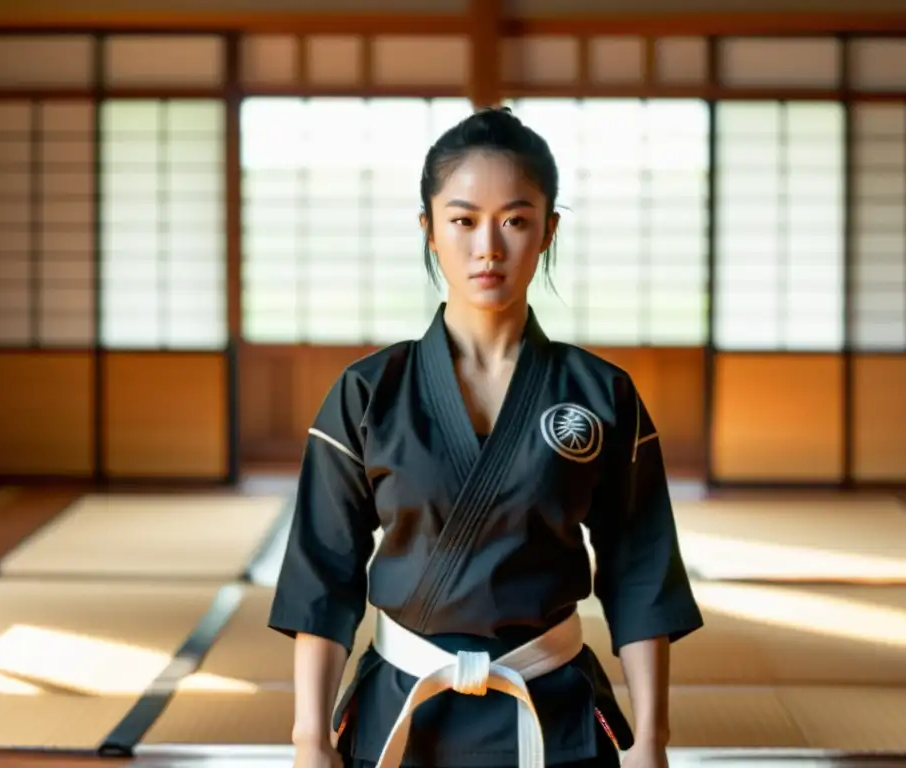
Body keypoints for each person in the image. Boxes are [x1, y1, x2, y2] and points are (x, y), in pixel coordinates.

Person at [268, 106, 703, 768]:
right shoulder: (368, 392)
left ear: (549, 230)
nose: (489, 248)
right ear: (429, 229)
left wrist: (653, 739)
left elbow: (641, 573)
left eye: (516, 220)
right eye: (464, 220)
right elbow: (320, 577)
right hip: (405, 710)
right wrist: (308, 739)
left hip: (554, 712)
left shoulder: (599, 394)